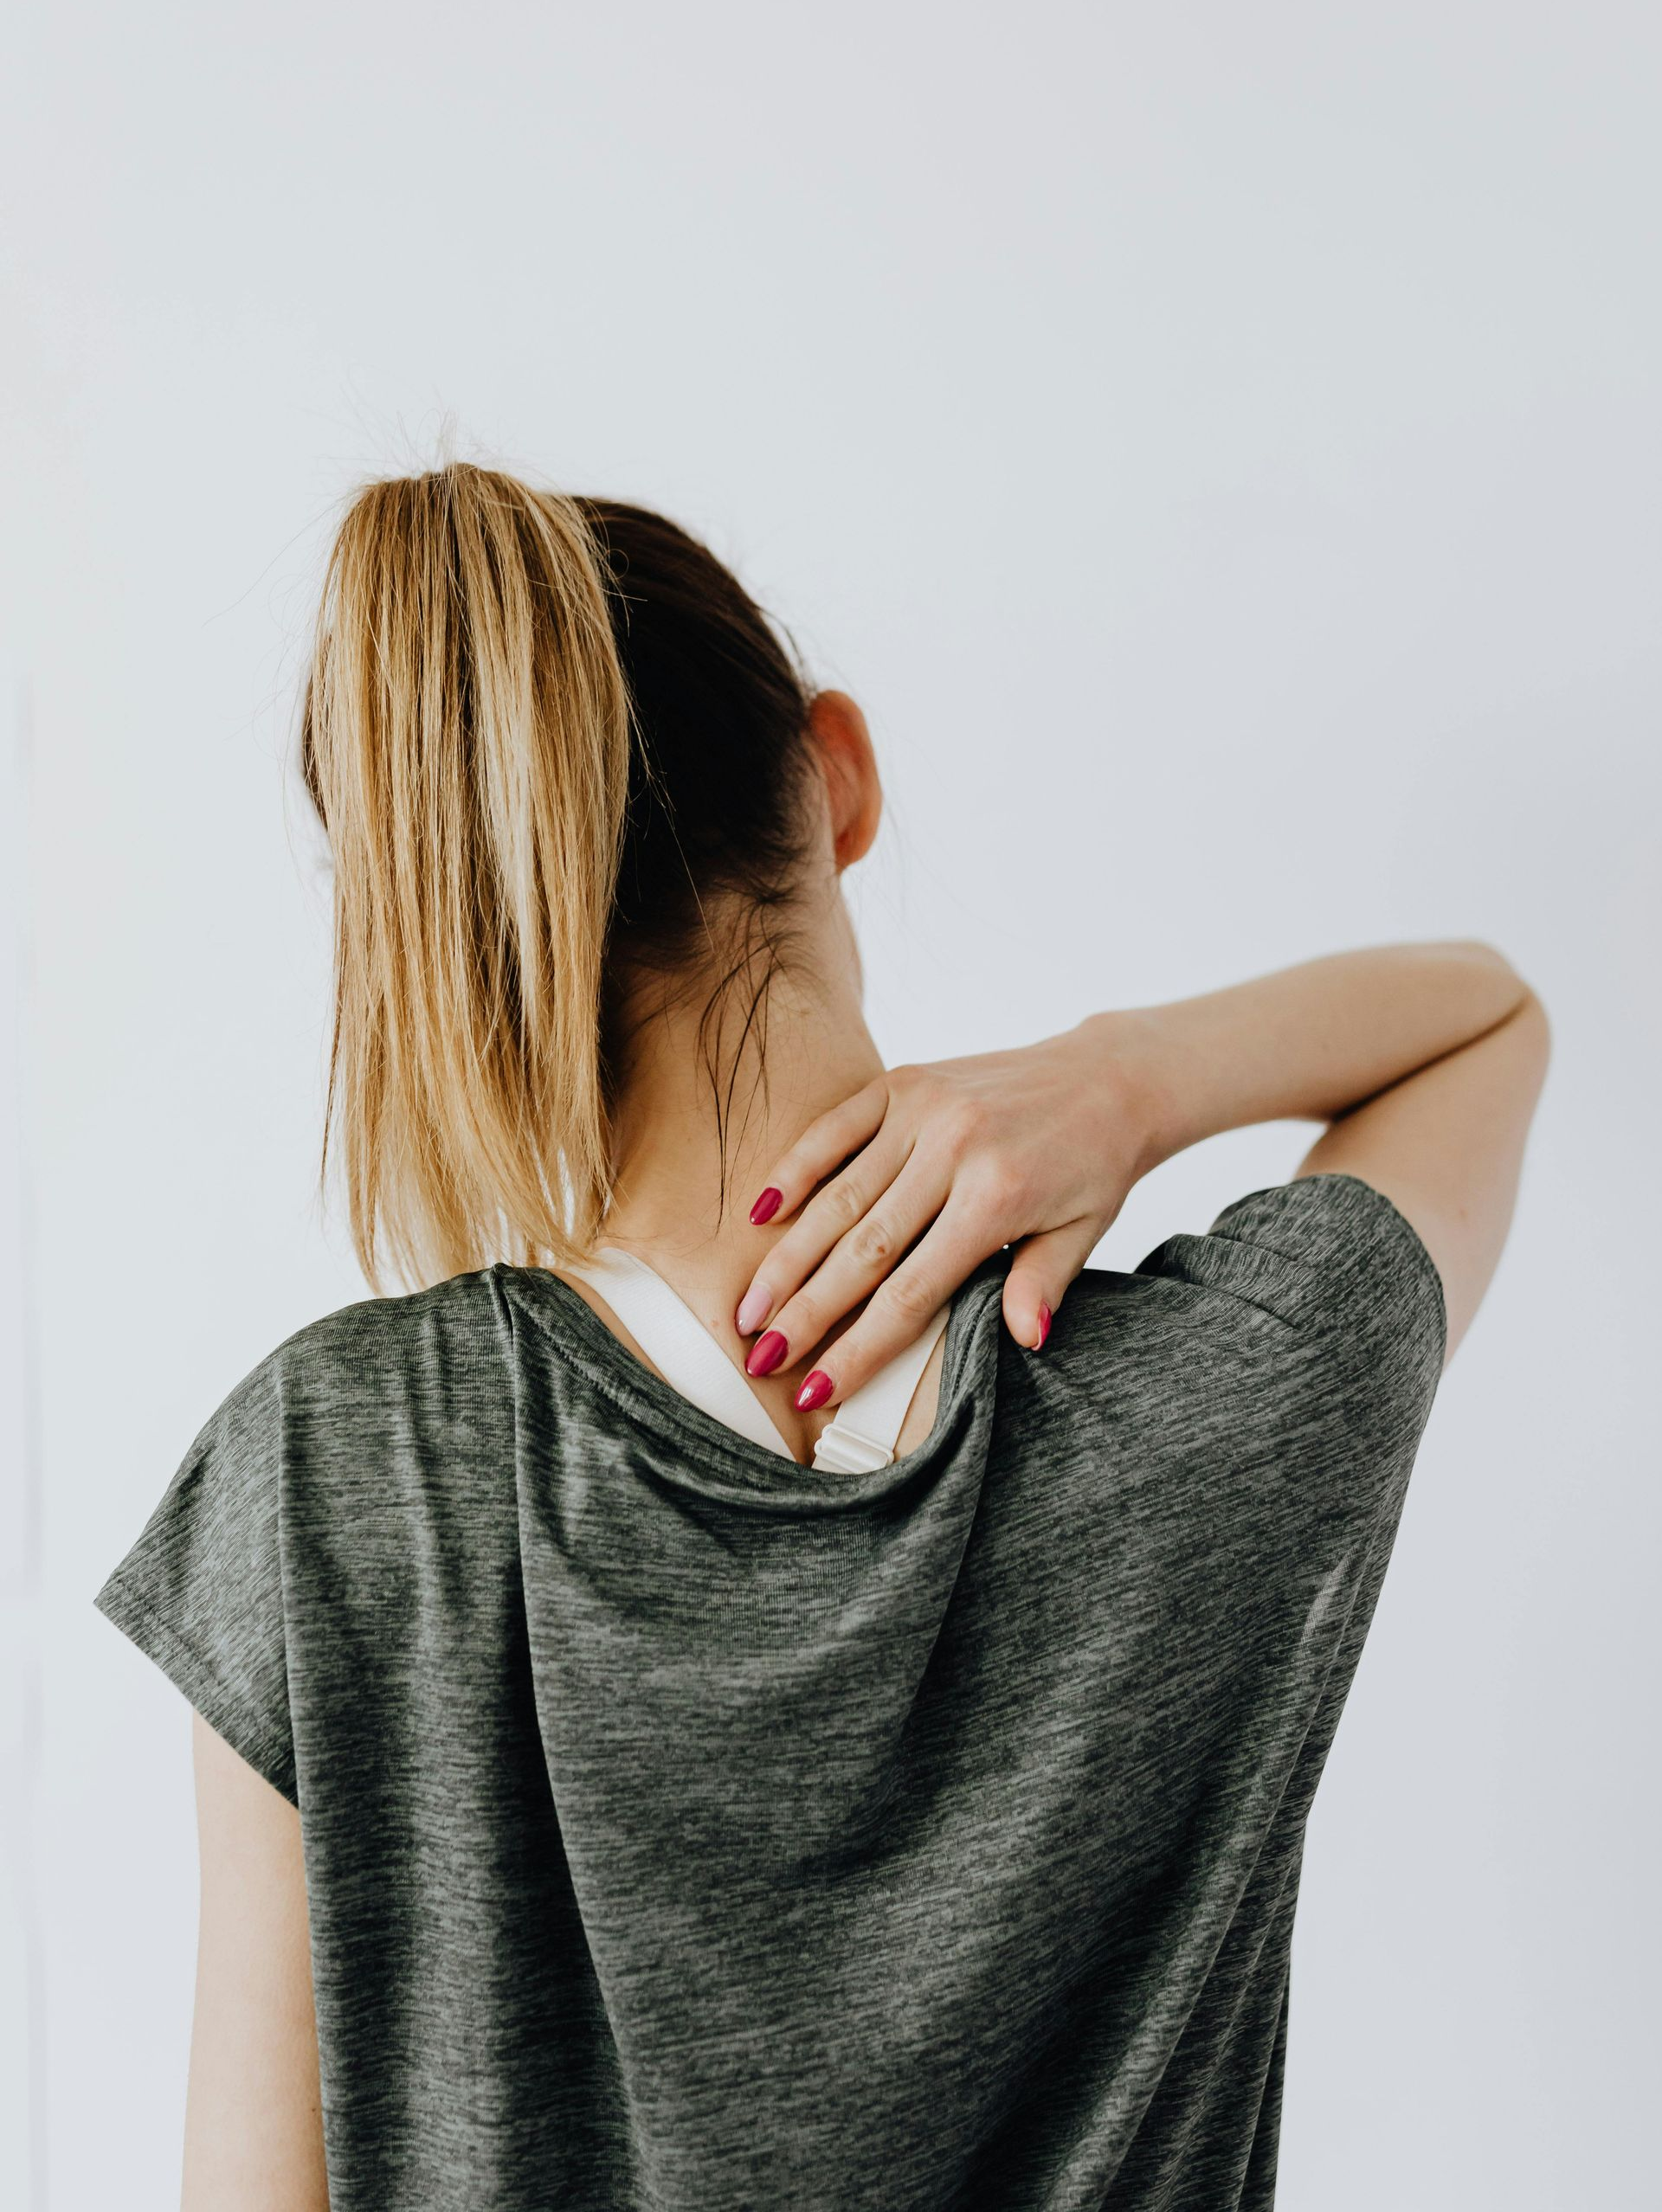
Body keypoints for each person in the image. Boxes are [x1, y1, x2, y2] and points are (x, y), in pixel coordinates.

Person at [94, 465, 1549, 2212]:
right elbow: (1488, 1019)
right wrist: (1130, 1078)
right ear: (835, 775)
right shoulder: (1225, 1408)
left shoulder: (337, 1473)